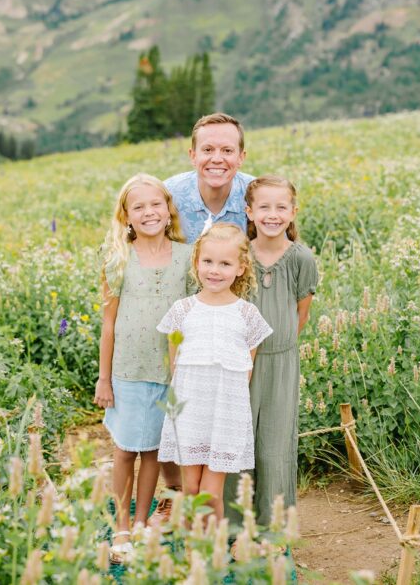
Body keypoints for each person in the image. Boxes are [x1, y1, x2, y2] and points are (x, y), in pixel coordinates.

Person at [94, 174, 194, 563]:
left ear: (168, 209)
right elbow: (108, 323)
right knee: (124, 450)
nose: (149, 212)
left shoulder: (187, 257)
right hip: (127, 371)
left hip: (169, 372)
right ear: (126, 216)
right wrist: (104, 377)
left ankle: (141, 521)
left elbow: (190, 316)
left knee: (152, 450)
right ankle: (121, 526)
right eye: (139, 207)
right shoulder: (119, 258)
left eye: (156, 204)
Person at [156, 222, 273, 523]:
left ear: (241, 268)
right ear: (196, 263)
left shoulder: (247, 314)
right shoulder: (183, 309)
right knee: (191, 488)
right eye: (207, 261)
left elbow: (247, 367)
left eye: (225, 263)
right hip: (191, 411)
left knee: (210, 492)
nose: (214, 270)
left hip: (224, 413)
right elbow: (175, 362)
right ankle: (194, 549)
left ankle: (212, 552)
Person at [222, 176, 318, 526]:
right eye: (264, 207)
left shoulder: (301, 258)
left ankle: (272, 527)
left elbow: (300, 313)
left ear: (293, 213)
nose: (272, 215)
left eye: (281, 207)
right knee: (236, 442)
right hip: (237, 362)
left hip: (280, 362)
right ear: (249, 211)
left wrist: (278, 345)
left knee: (274, 447)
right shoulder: (239, 254)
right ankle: (232, 525)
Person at [166, 113, 255, 243]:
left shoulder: (258, 196)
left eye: (227, 150)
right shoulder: (167, 195)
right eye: (208, 150)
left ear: (241, 157)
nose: (217, 159)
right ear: (193, 156)